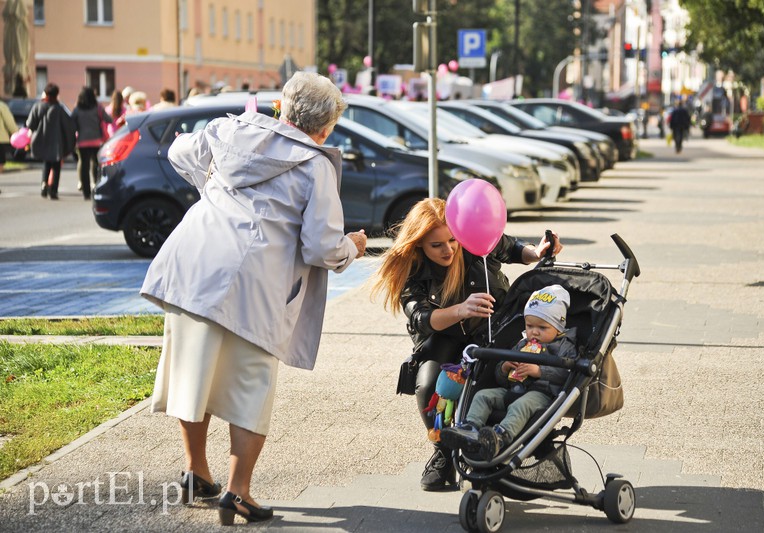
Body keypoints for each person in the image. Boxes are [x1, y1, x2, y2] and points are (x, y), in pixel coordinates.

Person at [140, 71, 368, 526]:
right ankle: (237, 491)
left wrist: (209, 184)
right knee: (250, 390)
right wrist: (354, 247)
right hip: (256, 285)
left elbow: (179, 150)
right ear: (326, 128)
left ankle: (195, 472)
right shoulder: (315, 164)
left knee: (194, 374)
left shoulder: (229, 129)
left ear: (281, 107)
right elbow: (321, 247)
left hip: (196, 264)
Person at [370, 198, 562, 491]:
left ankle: (499, 448)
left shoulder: (472, 238)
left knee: (495, 381)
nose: (448, 249)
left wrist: (536, 252)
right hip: (442, 337)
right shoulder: (411, 268)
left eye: (452, 240)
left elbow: (510, 248)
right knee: (429, 382)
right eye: (437, 245)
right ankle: (443, 453)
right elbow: (421, 318)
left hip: (492, 330)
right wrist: (461, 309)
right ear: (420, 244)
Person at [440, 285, 578, 460]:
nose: (534, 332)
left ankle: (500, 437)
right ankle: (470, 428)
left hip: (541, 394)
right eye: (529, 326)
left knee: (519, 406)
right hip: (512, 390)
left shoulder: (563, 346)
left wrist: (540, 371)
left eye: (542, 328)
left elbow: (568, 373)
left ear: (559, 327)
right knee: (483, 395)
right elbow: (501, 379)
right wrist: (504, 368)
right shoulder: (522, 344)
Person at [26, 83, 76, 200]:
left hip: (42, 141)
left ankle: (44, 184)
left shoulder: (38, 106)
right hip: (57, 143)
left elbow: (30, 124)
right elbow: (69, 125)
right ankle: (53, 190)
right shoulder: (59, 109)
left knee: (46, 164)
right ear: (56, 94)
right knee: (56, 167)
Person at [72, 86, 113, 198]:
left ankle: (86, 192)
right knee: (96, 165)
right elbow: (108, 119)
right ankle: (97, 186)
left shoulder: (77, 109)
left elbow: (72, 124)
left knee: (84, 167)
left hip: (82, 142)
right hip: (97, 142)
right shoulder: (98, 108)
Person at [0, 99, 19, 176]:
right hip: (0, 140)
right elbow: (10, 123)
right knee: (0, 162)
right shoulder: (2, 106)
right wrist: (16, 133)